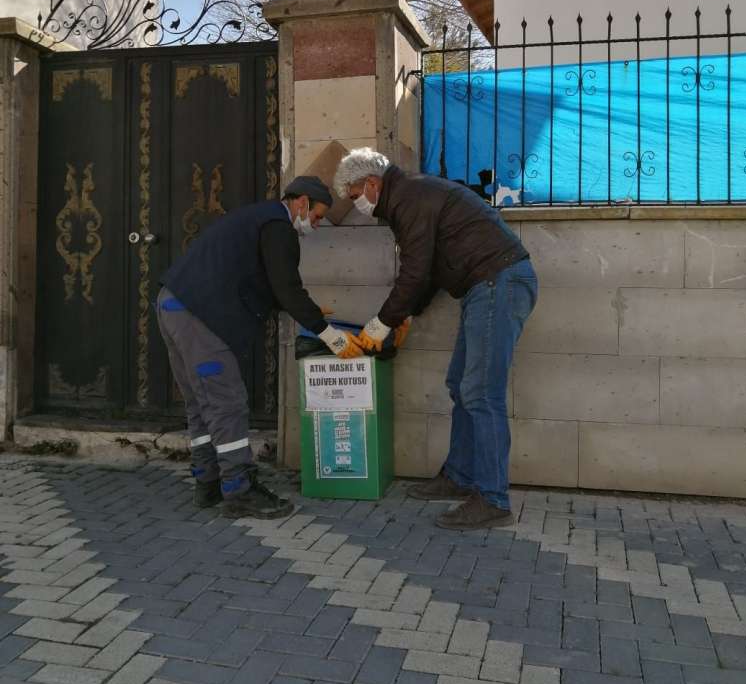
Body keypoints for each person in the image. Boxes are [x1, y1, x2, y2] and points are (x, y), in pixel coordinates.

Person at [334, 149, 537, 531]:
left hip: (498, 282)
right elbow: (425, 273)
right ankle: (460, 476)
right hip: (489, 285)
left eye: (355, 195)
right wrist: (406, 314)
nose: (356, 204)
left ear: (372, 184)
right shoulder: (406, 197)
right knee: (461, 386)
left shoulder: (409, 196)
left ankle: (493, 499)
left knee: (480, 392)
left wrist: (381, 325)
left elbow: (414, 271)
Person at [156, 175, 363, 519]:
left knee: (200, 402)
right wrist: (329, 334)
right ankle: (239, 489)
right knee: (227, 402)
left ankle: (207, 483)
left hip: (173, 304)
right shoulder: (278, 226)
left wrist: (298, 309)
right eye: (316, 216)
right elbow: (287, 287)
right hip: (199, 316)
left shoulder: (258, 218)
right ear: (300, 203)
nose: (315, 223)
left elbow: (264, 283)